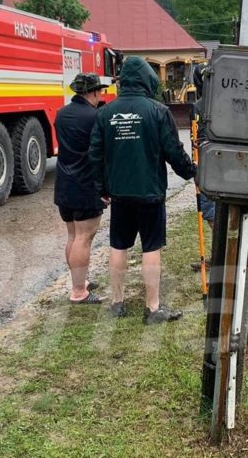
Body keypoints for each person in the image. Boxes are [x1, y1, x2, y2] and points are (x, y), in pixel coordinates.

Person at [90, 56, 196, 323]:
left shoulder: (105, 113)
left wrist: (102, 188)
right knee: (151, 247)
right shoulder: (158, 111)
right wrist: (190, 171)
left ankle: (117, 303)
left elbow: (95, 154)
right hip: (150, 192)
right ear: (147, 79)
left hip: (120, 193)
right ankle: (152, 308)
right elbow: (173, 150)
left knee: (118, 245)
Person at [55, 72, 109, 304]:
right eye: (100, 91)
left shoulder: (61, 114)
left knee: (73, 236)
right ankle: (78, 291)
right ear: (94, 92)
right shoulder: (95, 117)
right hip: (86, 185)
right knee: (84, 238)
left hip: (64, 185)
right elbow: (101, 152)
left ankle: (80, 281)